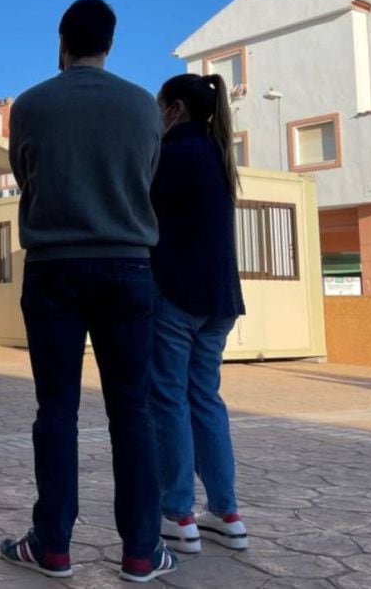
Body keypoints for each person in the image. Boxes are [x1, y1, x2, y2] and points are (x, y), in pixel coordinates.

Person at [0, 0, 178, 583]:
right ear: (110, 43)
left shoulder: (29, 105)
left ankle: (52, 545)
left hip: (54, 266)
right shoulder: (143, 106)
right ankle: (141, 551)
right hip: (128, 267)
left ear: (62, 42)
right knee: (133, 410)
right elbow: (144, 179)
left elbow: (28, 178)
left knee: (57, 408)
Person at [150, 73, 248, 555]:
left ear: (176, 110)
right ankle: (226, 513)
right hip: (221, 301)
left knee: (168, 399)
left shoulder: (170, 156)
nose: (156, 114)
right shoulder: (219, 155)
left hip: (177, 297)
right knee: (205, 400)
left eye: (159, 106)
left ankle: (178, 513)